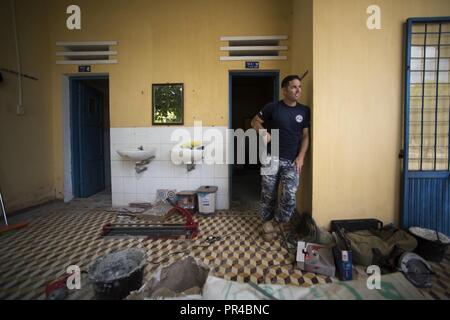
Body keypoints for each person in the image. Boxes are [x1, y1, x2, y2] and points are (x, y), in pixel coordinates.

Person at [251, 75, 310, 240]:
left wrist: (301, 156)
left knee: (289, 195)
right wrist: (262, 131)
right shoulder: (272, 107)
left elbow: (306, 136)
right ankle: (266, 222)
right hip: (271, 157)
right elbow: (255, 121)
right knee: (268, 193)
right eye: (293, 87)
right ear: (284, 91)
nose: (298, 90)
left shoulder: (304, 111)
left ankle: (279, 223)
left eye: (299, 86)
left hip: (292, 160)